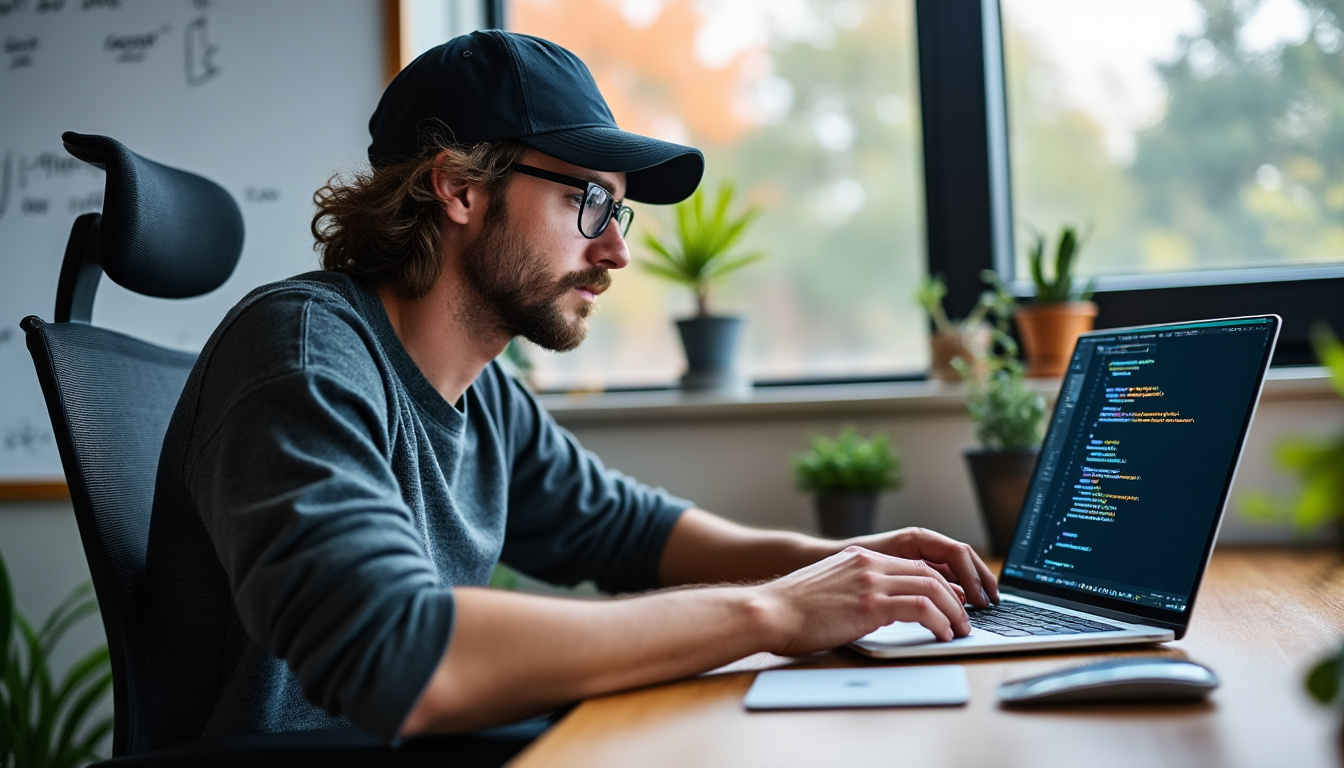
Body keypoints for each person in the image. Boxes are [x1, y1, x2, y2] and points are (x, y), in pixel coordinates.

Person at [141, 30, 998, 749]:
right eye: (589, 201)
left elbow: (628, 531)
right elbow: (403, 656)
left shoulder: (484, 393)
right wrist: (772, 613)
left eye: (616, 212)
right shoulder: (301, 353)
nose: (617, 251)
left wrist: (842, 566)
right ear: (459, 187)